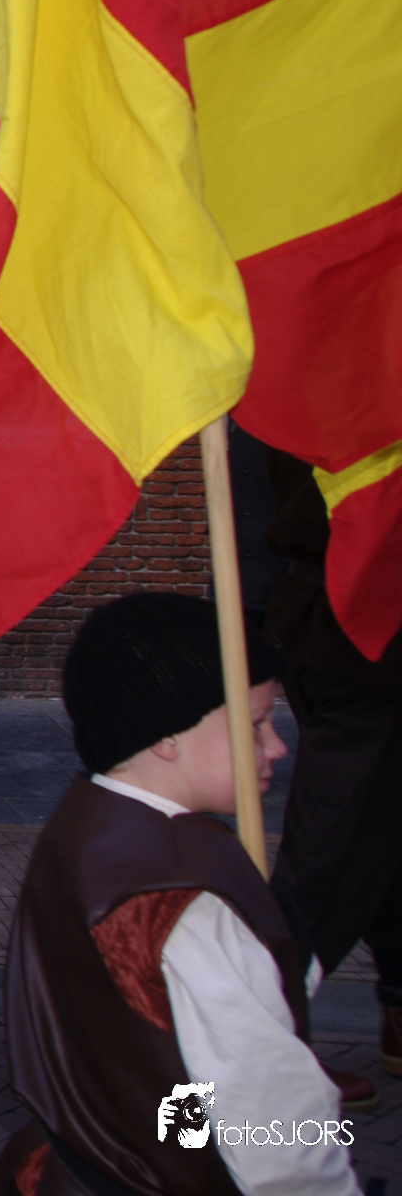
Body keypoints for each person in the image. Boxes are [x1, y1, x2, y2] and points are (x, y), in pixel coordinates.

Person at [0, 592, 364, 1196]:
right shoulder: (180, 894)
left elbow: (175, 1070)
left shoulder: (89, 823)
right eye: (256, 723)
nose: (278, 746)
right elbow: (269, 1118)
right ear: (166, 734)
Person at [262, 447, 402, 1098]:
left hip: (335, 607)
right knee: (337, 844)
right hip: (366, 619)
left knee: (379, 825)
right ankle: (249, 1043)